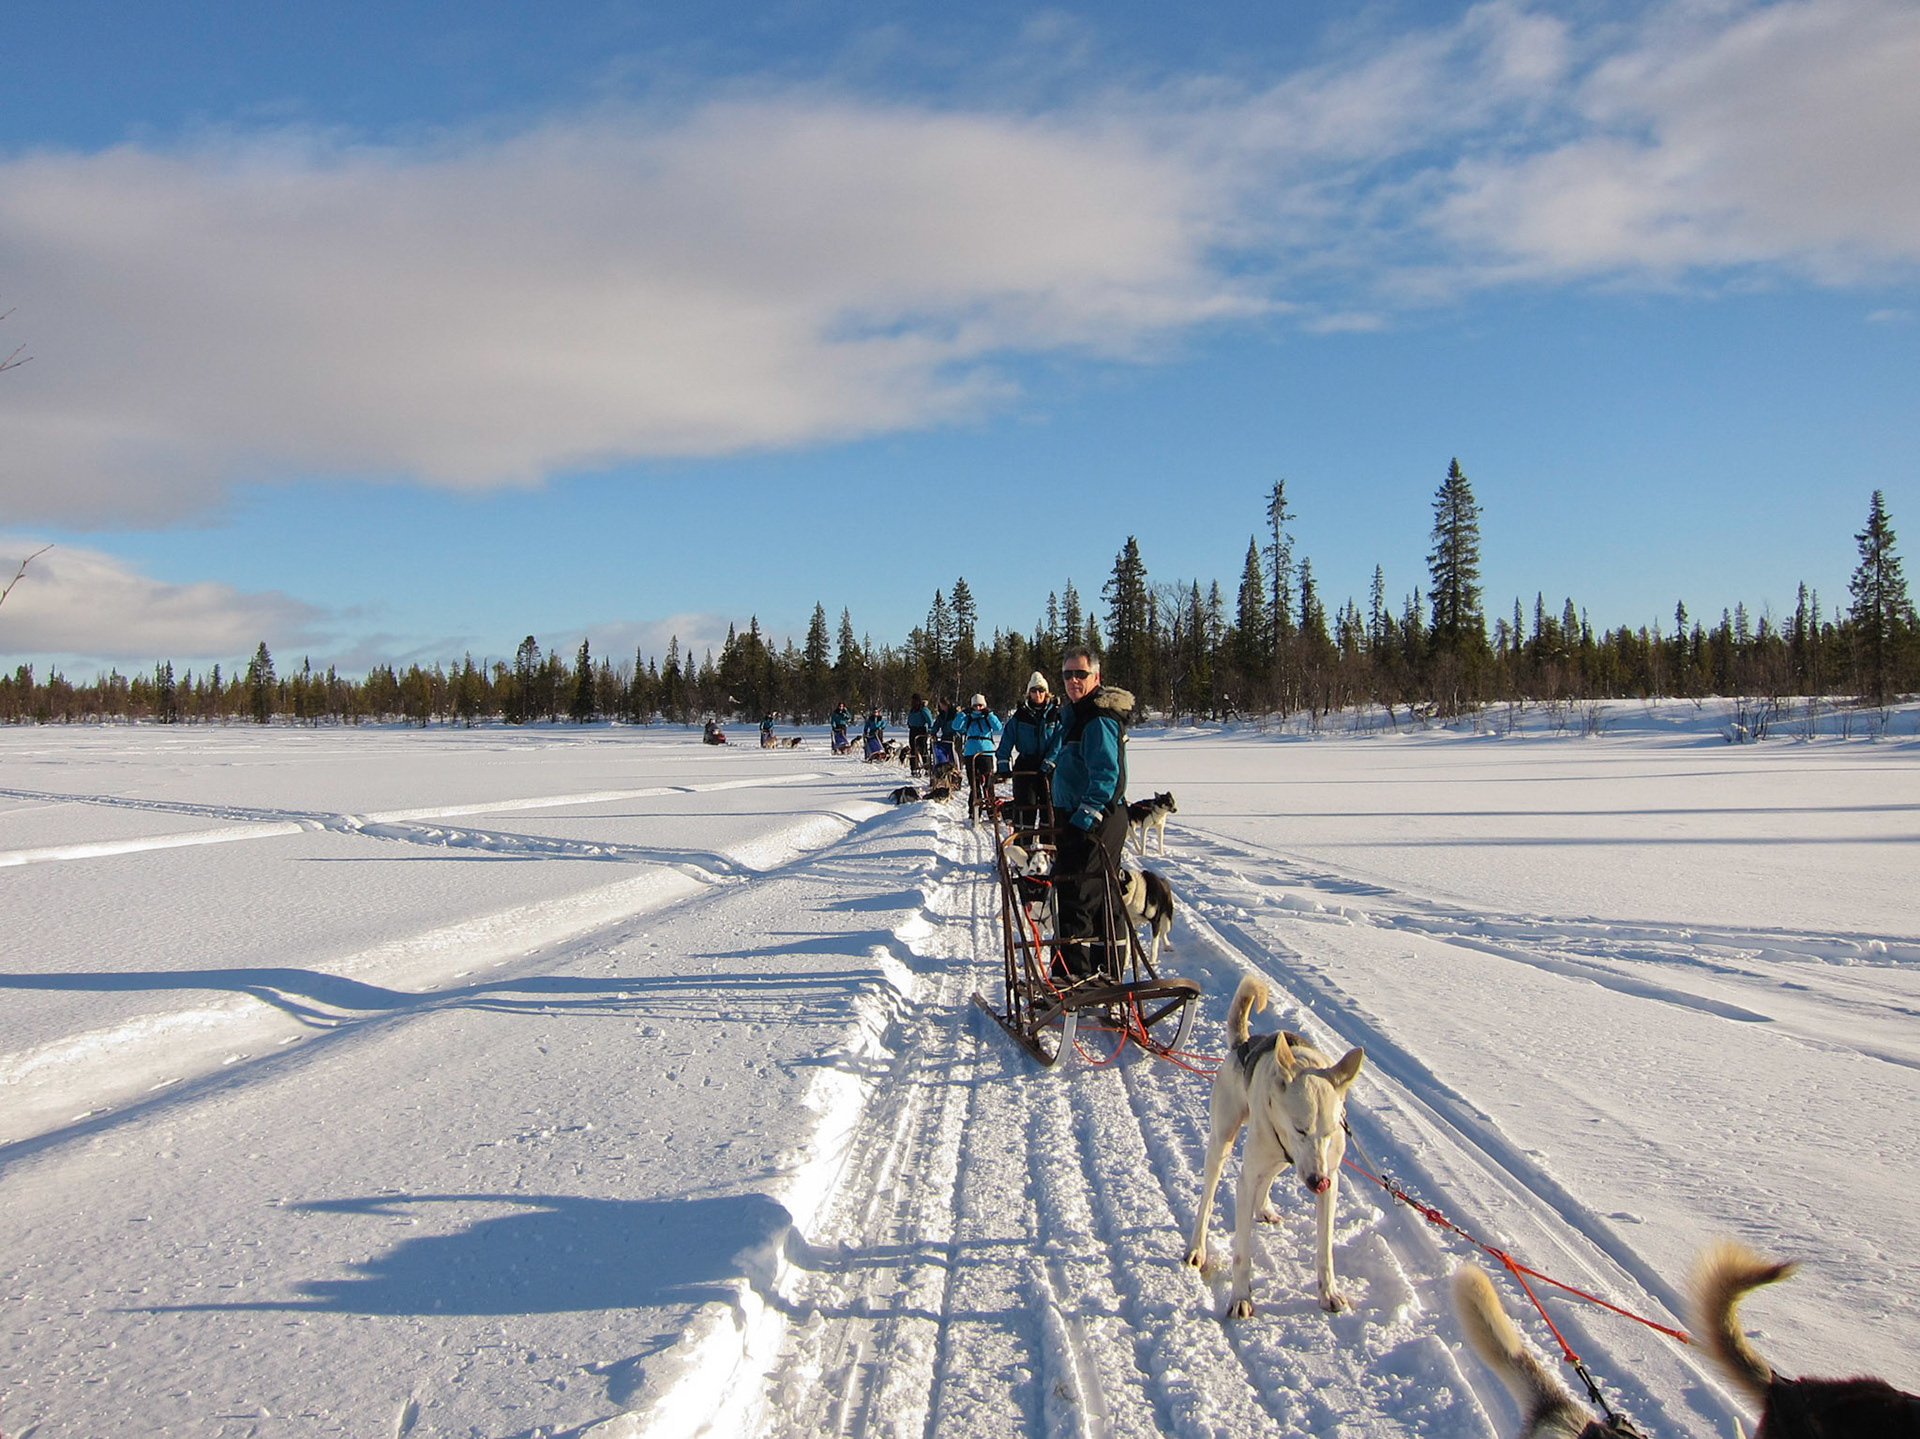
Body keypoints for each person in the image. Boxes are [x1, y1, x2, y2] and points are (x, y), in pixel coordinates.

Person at [1047, 648, 1133, 980]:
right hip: (1084, 817)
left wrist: (1083, 820)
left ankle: (1073, 977)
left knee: (1075, 892)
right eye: (1067, 675)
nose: (1072, 681)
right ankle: (1104, 972)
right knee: (1099, 895)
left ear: (1096, 677)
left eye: (1080, 674)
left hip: (1095, 819)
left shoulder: (1097, 719)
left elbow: (1107, 777)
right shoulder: (1077, 714)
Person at [996, 670, 1060, 832]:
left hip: (1050, 767)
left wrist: (1049, 761)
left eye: (1041, 690)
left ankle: (1049, 845)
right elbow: (1006, 742)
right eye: (1033, 690)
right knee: (1026, 807)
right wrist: (1003, 766)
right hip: (1026, 765)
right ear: (1028, 693)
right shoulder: (1020, 716)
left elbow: (1060, 740)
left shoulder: (1056, 714)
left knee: (1049, 808)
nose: (1037, 694)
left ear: (1047, 693)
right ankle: (1024, 846)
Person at [958, 692, 1004, 801]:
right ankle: (974, 809)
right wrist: (962, 714)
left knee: (988, 782)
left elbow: (998, 727)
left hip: (986, 752)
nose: (978, 708)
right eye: (975, 706)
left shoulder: (987, 718)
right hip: (970, 753)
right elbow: (956, 726)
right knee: (974, 783)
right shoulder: (968, 718)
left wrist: (990, 715)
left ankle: (991, 808)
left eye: (980, 706)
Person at [906, 693, 935, 774]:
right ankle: (914, 768)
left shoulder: (923, 709)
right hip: (913, 730)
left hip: (921, 730)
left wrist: (930, 730)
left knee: (923, 749)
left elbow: (930, 720)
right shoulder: (912, 709)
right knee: (913, 749)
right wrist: (909, 723)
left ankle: (927, 767)